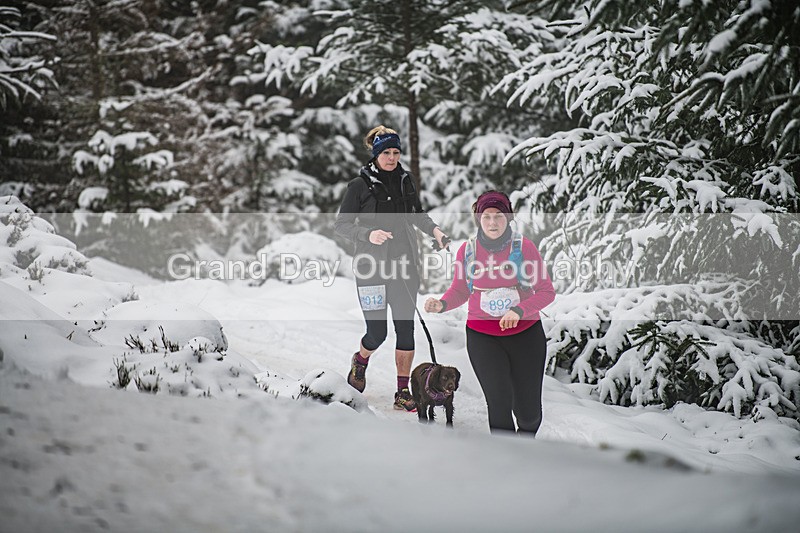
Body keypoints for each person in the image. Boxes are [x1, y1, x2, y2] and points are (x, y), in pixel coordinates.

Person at [335, 125, 449, 411]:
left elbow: (416, 214)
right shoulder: (358, 186)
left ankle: (402, 392)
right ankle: (360, 361)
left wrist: (434, 231)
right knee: (377, 333)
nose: (392, 157)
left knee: (405, 329)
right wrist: (367, 235)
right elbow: (342, 225)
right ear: (376, 154)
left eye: (396, 152)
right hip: (372, 268)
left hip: (404, 266)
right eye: (386, 152)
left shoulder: (404, 181)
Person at [424, 191, 555, 435]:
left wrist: (519, 310)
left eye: (499, 216)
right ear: (478, 219)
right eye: (487, 217)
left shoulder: (524, 247)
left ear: (508, 217)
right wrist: (441, 304)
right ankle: (507, 462)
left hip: (526, 336)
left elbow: (547, 291)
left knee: (529, 415)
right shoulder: (468, 250)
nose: (493, 222)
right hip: (483, 337)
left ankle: (525, 444)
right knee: (499, 404)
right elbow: (460, 290)